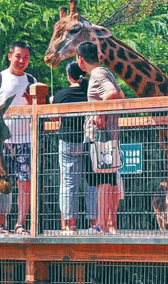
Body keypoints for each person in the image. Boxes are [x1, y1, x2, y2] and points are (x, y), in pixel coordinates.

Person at [0, 41, 36, 235]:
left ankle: (20, 224)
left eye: (26, 57)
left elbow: (39, 107)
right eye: (18, 56)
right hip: (1, 142)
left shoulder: (32, 80)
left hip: (25, 139)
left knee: (24, 184)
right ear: (10, 56)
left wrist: (33, 104)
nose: (22, 61)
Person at [76, 41, 124, 235]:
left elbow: (112, 94)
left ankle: (101, 225)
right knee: (109, 179)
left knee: (101, 179)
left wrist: (101, 114)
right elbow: (120, 94)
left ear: (80, 59)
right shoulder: (106, 72)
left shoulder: (96, 74)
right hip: (110, 135)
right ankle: (107, 224)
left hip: (98, 135)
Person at [52, 60, 97, 235]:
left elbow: (54, 119)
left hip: (68, 141)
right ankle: (95, 224)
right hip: (88, 140)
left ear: (68, 76)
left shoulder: (62, 94)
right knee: (91, 183)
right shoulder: (89, 92)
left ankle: (70, 225)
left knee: (69, 183)